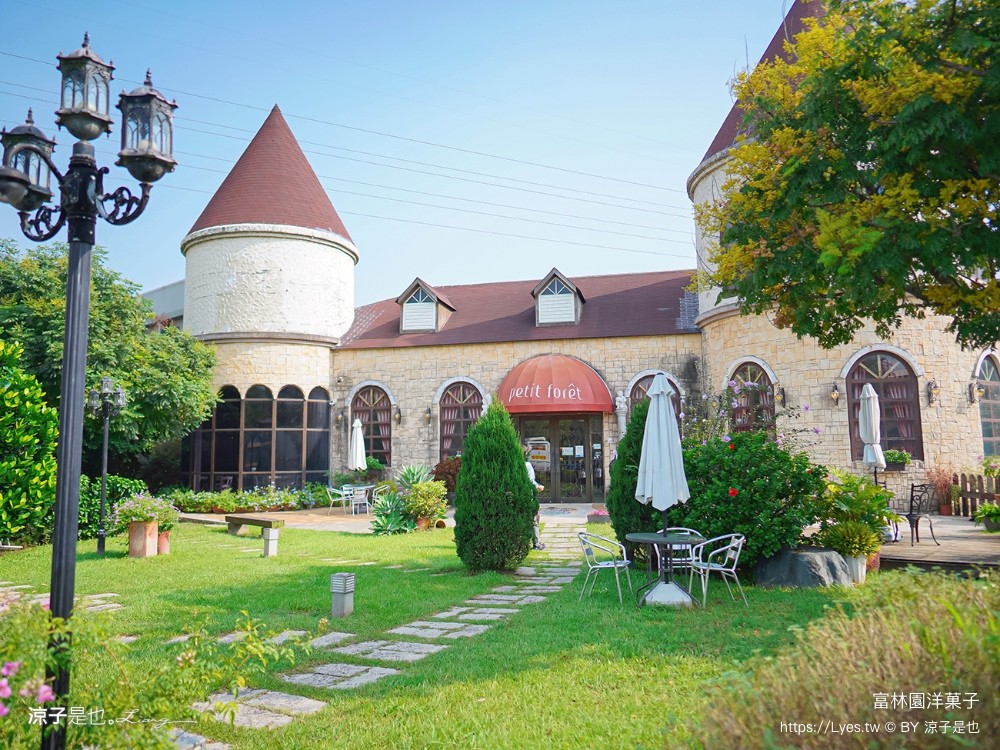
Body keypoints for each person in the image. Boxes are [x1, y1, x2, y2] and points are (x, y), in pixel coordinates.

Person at [524, 446, 545, 550]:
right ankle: (536, 543)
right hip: (527, 496)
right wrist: (538, 487)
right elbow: (530, 480)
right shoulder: (527, 465)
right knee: (533, 518)